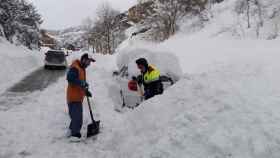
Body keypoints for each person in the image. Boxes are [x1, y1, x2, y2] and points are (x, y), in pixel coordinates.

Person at [66, 53, 95, 141]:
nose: (89, 64)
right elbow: (70, 78)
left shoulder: (81, 68)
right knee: (77, 117)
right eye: (89, 62)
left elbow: (79, 83)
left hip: (78, 96)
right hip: (73, 97)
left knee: (76, 116)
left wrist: (85, 91)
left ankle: (71, 130)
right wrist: (82, 83)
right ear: (84, 60)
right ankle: (74, 135)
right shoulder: (75, 67)